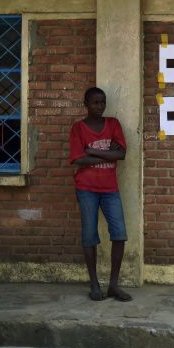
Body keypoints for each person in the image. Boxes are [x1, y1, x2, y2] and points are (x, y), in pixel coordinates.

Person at [69, 87, 131, 302]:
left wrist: (92, 151)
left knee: (120, 234)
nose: (100, 106)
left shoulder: (113, 124)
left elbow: (121, 153)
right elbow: (78, 160)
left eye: (102, 102)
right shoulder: (78, 128)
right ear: (85, 104)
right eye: (95, 102)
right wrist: (108, 155)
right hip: (86, 189)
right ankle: (94, 284)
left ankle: (113, 285)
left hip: (110, 189)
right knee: (89, 236)